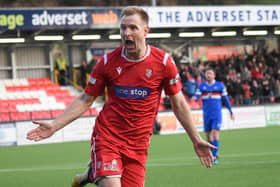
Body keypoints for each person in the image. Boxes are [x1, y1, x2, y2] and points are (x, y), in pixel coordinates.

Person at [27, 6, 215, 187]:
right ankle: (99, 168)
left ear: (145, 31)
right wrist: (54, 125)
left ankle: (93, 172)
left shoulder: (164, 63)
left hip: (138, 145)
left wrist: (196, 139)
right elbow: (86, 99)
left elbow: (179, 103)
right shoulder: (107, 62)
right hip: (108, 137)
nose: (127, 33)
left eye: (133, 28)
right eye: (123, 28)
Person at [194, 68, 234, 165]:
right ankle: (213, 153)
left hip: (216, 114)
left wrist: (231, 111)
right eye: (207, 73)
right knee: (208, 137)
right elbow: (196, 97)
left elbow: (226, 99)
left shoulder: (220, 86)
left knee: (214, 133)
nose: (208, 75)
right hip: (206, 114)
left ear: (214, 75)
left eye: (210, 73)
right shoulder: (201, 86)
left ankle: (214, 157)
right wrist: (192, 99)